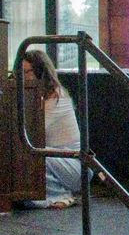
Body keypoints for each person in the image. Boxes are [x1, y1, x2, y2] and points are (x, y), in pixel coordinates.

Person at [20, 48, 83, 209]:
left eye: (26, 72)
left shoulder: (57, 97)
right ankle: (58, 193)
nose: (22, 78)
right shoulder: (37, 96)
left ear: (41, 73)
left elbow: (34, 131)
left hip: (75, 165)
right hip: (56, 162)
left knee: (35, 154)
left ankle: (63, 194)